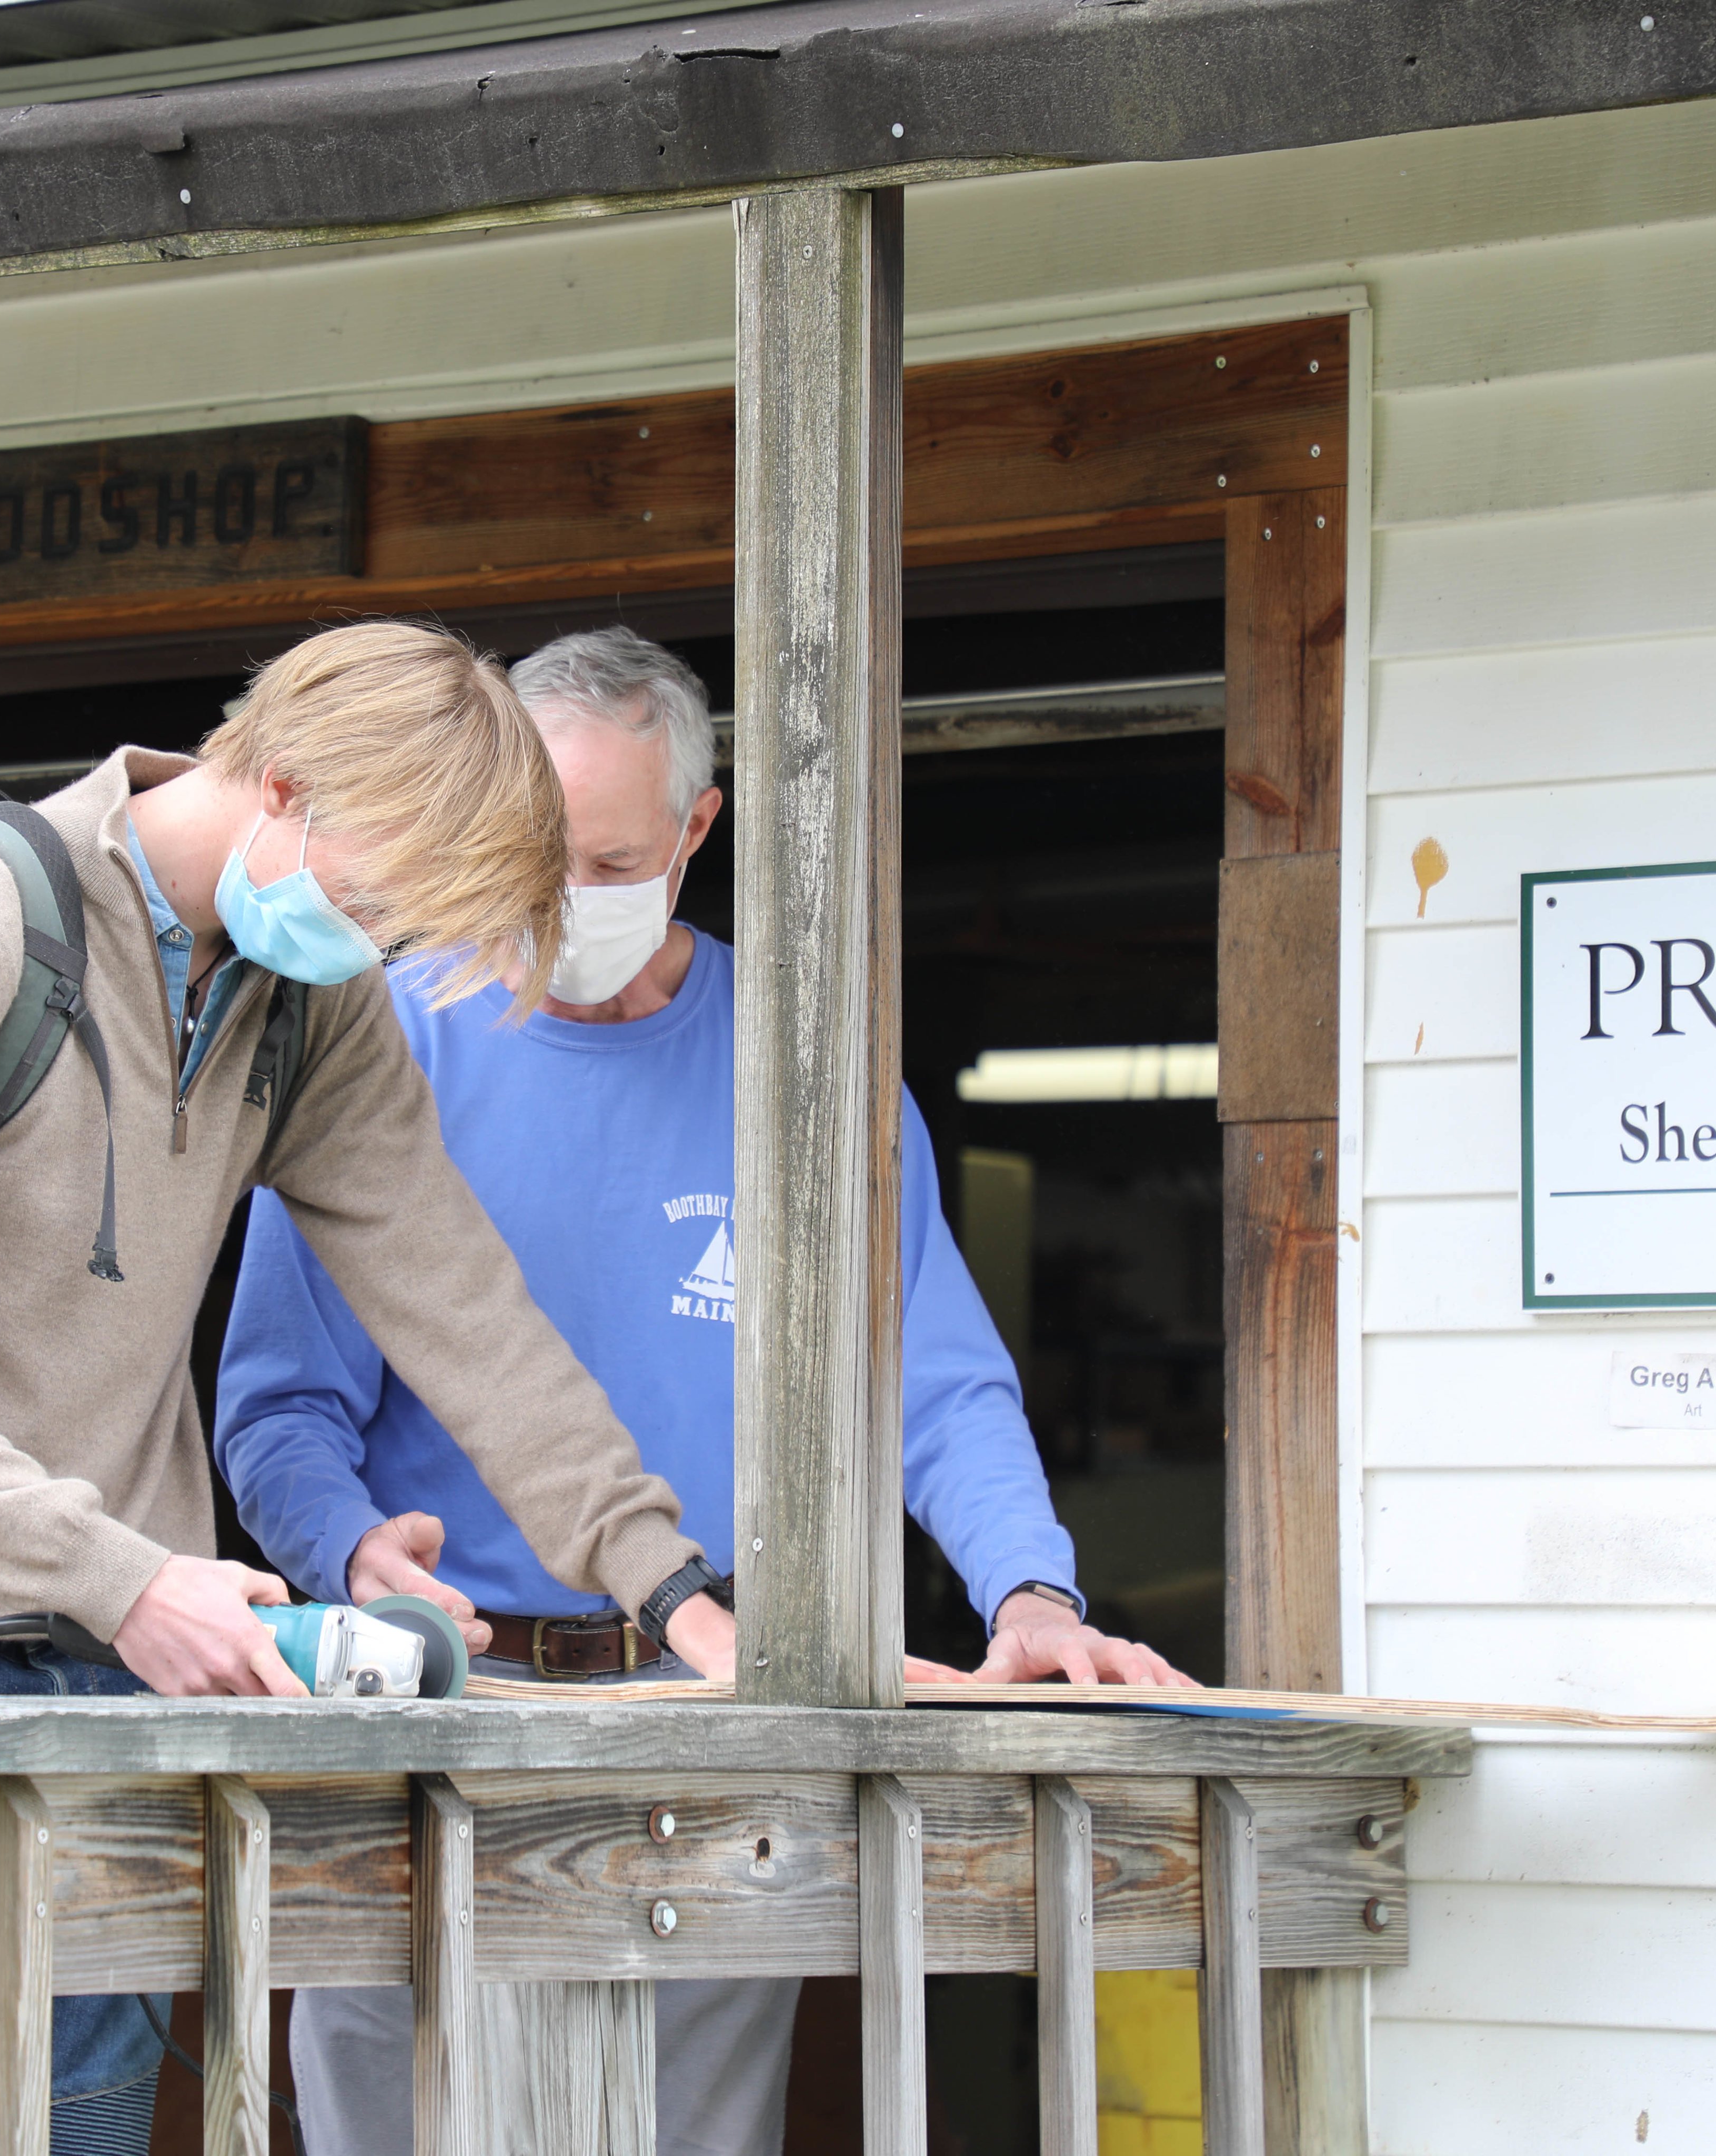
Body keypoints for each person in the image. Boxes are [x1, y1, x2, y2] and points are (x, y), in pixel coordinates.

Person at [0, 622, 742, 2156]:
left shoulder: (308, 998)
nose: (383, 945)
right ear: (286, 784)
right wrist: (127, 1580)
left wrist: (671, 1587)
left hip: (109, 1679)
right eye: (385, 901)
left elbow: (469, 1316)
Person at [215, 625, 1191, 2156]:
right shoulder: (379, 1036)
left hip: (724, 1725)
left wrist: (1034, 1597)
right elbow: (276, 1408)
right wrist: (346, 1558)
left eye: (606, 859)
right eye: (532, 855)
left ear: (698, 829)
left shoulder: (809, 1072)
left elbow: (934, 1388)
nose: (558, 901)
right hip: (444, 1724)